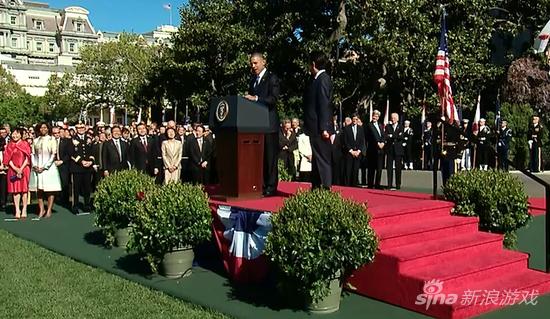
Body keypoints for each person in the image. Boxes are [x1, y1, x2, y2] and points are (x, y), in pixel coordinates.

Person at [244, 52, 281, 196]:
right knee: (259, 158)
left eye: (255, 63)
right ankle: (261, 185)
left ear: (263, 62)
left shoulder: (272, 78)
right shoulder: (252, 79)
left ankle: (271, 187)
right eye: (251, 63)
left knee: (270, 158)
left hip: (269, 124)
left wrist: (256, 98)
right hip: (256, 125)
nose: (253, 66)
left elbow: (273, 99)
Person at [303, 51, 334, 190]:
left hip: (320, 127)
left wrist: (325, 127)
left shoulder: (323, 79)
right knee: (317, 159)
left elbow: (324, 104)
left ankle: (326, 187)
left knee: (323, 159)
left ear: (313, 64)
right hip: (314, 126)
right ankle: (316, 186)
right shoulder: (316, 79)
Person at [30, 122, 62, 218]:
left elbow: (53, 154)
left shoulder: (52, 139)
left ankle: (49, 210)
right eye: (41, 128)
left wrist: (45, 166)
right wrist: (35, 165)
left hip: (49, 167)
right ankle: (41, 209)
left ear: (48, 129)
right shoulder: (35, 140)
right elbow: (32, 154)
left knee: (50, 189)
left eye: (45, 127)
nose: (43, 129)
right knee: (39, 190)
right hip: (37, 166)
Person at [3, 128, 31, 219]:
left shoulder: (25, 144)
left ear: (21, 134)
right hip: (13, 169)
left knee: (24, 190)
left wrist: (21, 169)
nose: (15, 136)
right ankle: (17, 209)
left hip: (24, 169)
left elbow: (27, 158)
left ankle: (24, 209)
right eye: (13, 134)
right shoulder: (9, 145)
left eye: (17, 134)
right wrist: (15, 169)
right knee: (15, 191)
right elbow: (7, 159)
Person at [69, 123, 95, 214]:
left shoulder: (89, 139)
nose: (81, 129)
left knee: (87, 187)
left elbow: (92, 151)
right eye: (79, 128)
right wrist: (81, 161)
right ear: (76, 129)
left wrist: (91, 161)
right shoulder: (72, 139)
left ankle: (87, 205)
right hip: (77, 167)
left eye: (82, 128)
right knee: (76, 188)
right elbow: (71, 153)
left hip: (88, 167)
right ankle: (75, 206)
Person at [342, 114, 366, 186]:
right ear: (352, 119)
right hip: (349, 153)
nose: (354, 121)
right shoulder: (347, 128)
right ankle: (347, 186)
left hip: (358, 153)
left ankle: (354, 186)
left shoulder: (361, 128)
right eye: (353, 119)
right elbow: (345, 141)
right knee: (348, 171)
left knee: (355, 171)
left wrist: (358, 151)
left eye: (356, 119)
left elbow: (362, 141)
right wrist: (351, 151)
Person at [384, 113, 404, 190]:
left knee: (398, 168)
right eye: (392, 118)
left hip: (398, 150)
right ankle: (389, 184)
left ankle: (398, 184)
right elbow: (386, 136)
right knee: (389, 168)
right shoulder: (388, 126)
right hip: (390, 149)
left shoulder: (401, 127)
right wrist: (394, 136)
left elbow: (401, 137)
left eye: (395, 118)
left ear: (398, 119)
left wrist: (392, 135)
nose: (393, 119)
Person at [53, 126, 72, 208]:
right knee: (54, 183)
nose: (56, 134)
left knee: (64, 183)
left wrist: (62, 161)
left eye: (58, 133)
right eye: (54, 133)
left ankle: (65, 200)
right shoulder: (50, 141)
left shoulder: (66, 141)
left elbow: (69, 154)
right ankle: (55, 199)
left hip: (63, 165)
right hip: (52, 164)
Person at [366, 110, 385, 189]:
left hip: (380, 150)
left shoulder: (380, 125)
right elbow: (373, 135)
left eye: (376, 116)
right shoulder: (369, 125)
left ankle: (377, 184)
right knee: (371, 168)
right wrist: (377, 143)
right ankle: (370, 184)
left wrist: (383, 142)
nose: (375, 117)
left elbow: (383, 135)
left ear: (378, 117)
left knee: (379, 168)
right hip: (372, 149)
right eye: (374, 115)